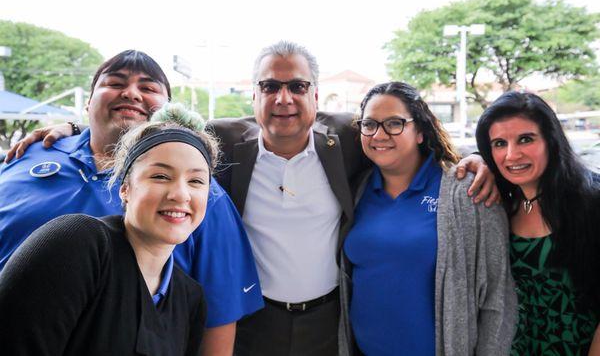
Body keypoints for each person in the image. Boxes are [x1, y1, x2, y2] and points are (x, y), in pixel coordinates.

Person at [6, 41, 498, 355]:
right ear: (254, 95)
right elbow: (145, 128)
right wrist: (69, 128)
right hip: (255, 325)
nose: (283, 99)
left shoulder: (349, 138)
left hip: (330, 324)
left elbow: (402, 131)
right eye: (270, 87)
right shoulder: (219, 143)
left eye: (297, 87)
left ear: (317, 97)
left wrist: (470, 161)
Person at [0, 50, 262, 355]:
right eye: (115, 82)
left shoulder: (205, 201)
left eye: (148, 88)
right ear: (125, 187)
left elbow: (218, 316)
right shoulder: (26, 155)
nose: (131, 93)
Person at [0, 103, 218, 355]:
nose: (180, 194)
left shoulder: (189, 298)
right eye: (160, 176)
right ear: (125, 188)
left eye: (196, 181)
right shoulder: (77, 243)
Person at [338, 82, 516, 356]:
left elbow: (497, 298)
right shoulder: (357, 191)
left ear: (420, 131)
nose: (379, 134)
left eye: (394, 123)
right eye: (370, 124)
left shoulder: (465, 190)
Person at [475, 91, 600, 356]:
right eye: (499, 143)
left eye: (525, 139)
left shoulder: (593, 201)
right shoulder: (500, 206)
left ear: (551, 141)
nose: (512, 155)